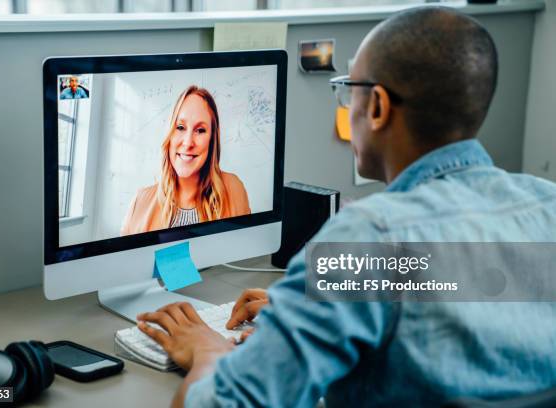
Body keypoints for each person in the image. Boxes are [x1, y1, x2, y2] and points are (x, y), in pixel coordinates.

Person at [136, 6, 556, 407]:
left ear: (376, 107)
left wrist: (209, 352)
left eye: (347, 90)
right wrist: (316, 309)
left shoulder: (367, 241)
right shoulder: (546, 206)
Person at [121, 85, 250, 235]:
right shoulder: (140, 202)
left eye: (200, 130)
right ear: (170, 133)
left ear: (212, 140)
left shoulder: (234, 189)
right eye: (180, 127)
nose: (188, 142)